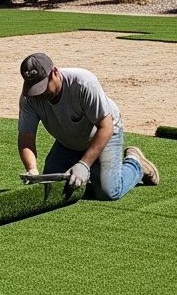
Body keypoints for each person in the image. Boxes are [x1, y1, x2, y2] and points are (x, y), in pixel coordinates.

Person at [17, 52, 159, 200]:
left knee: (107, 191)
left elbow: (106, 127)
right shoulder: (29, 98)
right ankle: (93, 170)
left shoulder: (83, 83)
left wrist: (84, 164)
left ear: (55, 72)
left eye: (43, 86)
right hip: (69, 140)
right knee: (52, 187)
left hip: (104, 134)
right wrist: (32, 169)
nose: (39, 93)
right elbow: (26, 138)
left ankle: (135, 164)